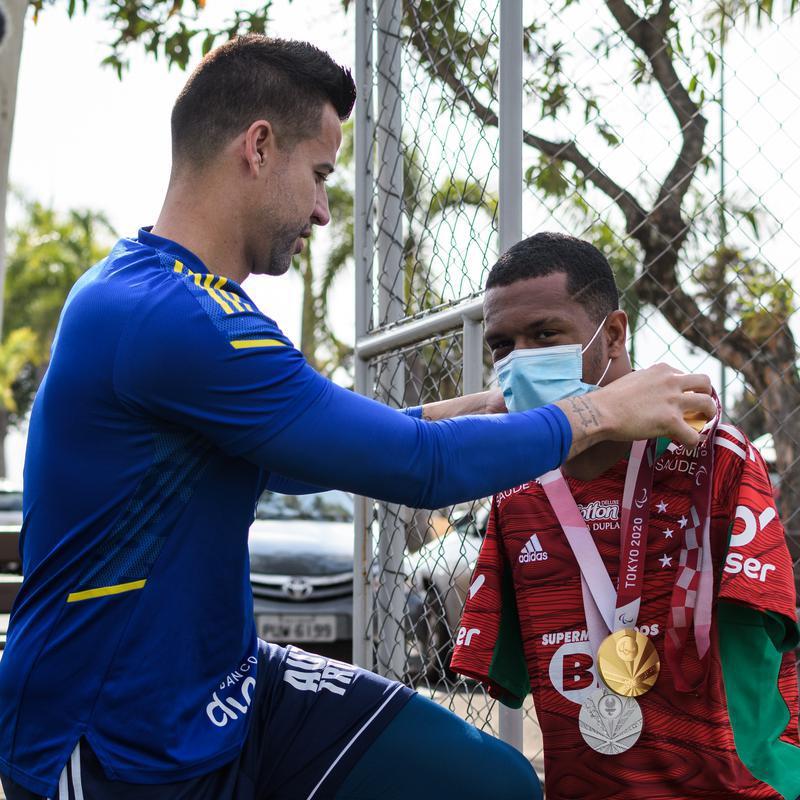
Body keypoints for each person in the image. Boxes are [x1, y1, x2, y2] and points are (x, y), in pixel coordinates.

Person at [0, 38, 714, 800]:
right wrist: (603, 409)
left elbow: (309, 452)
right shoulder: (168, 317)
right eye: (318, 176)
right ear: (260, 146)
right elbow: (420, 468)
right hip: (108, 741)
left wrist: (477, 407)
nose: (320, 209)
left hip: (231, 693)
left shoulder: (178, 301)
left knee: (492, 784)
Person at [451, 232, 800, 799]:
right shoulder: (517, 491)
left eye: (544, 335)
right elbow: (502, 668)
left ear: (612, 334)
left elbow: (768, 636)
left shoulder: (715, 459)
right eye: (502, 346)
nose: (520, 361)